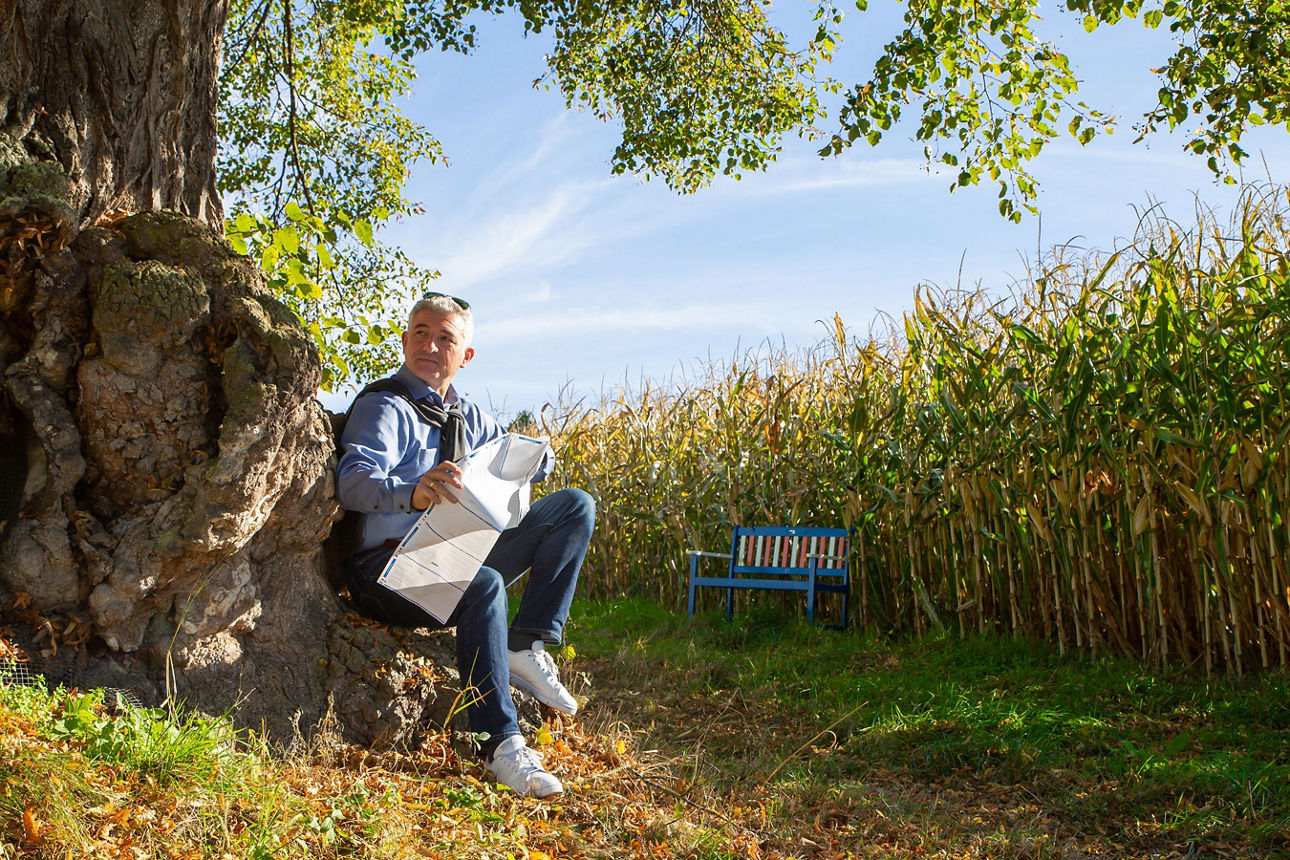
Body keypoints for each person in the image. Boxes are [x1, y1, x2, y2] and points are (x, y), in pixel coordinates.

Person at [336, 292, 595, 799]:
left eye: (445, 338)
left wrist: (537, 459)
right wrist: (411, 492)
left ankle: (524, 642)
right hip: (383, 568)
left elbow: (515, 457)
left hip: (453, 551)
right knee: (485, 584)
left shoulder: (470, 416)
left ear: (465, 355)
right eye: (421, 333)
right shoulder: (383, 406)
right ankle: (502, 744)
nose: (430, 346)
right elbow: (353, 482)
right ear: (406, 339)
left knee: (574, 506)